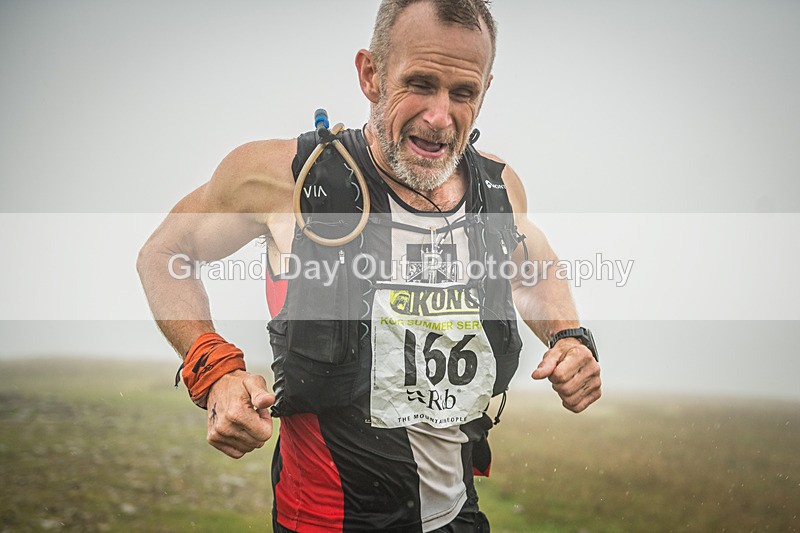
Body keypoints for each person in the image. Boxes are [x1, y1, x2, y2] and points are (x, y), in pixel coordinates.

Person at [137, 1, 602, 531]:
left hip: (458, 516)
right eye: (421, 84)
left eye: (463, 93)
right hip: (324, 522)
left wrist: (569, 335)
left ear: (486, 90)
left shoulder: (498, 189)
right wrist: (213, 368)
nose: (439, 116)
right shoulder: (289, 177)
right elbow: (165, 253)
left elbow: (533, 265)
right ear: (371, 74)